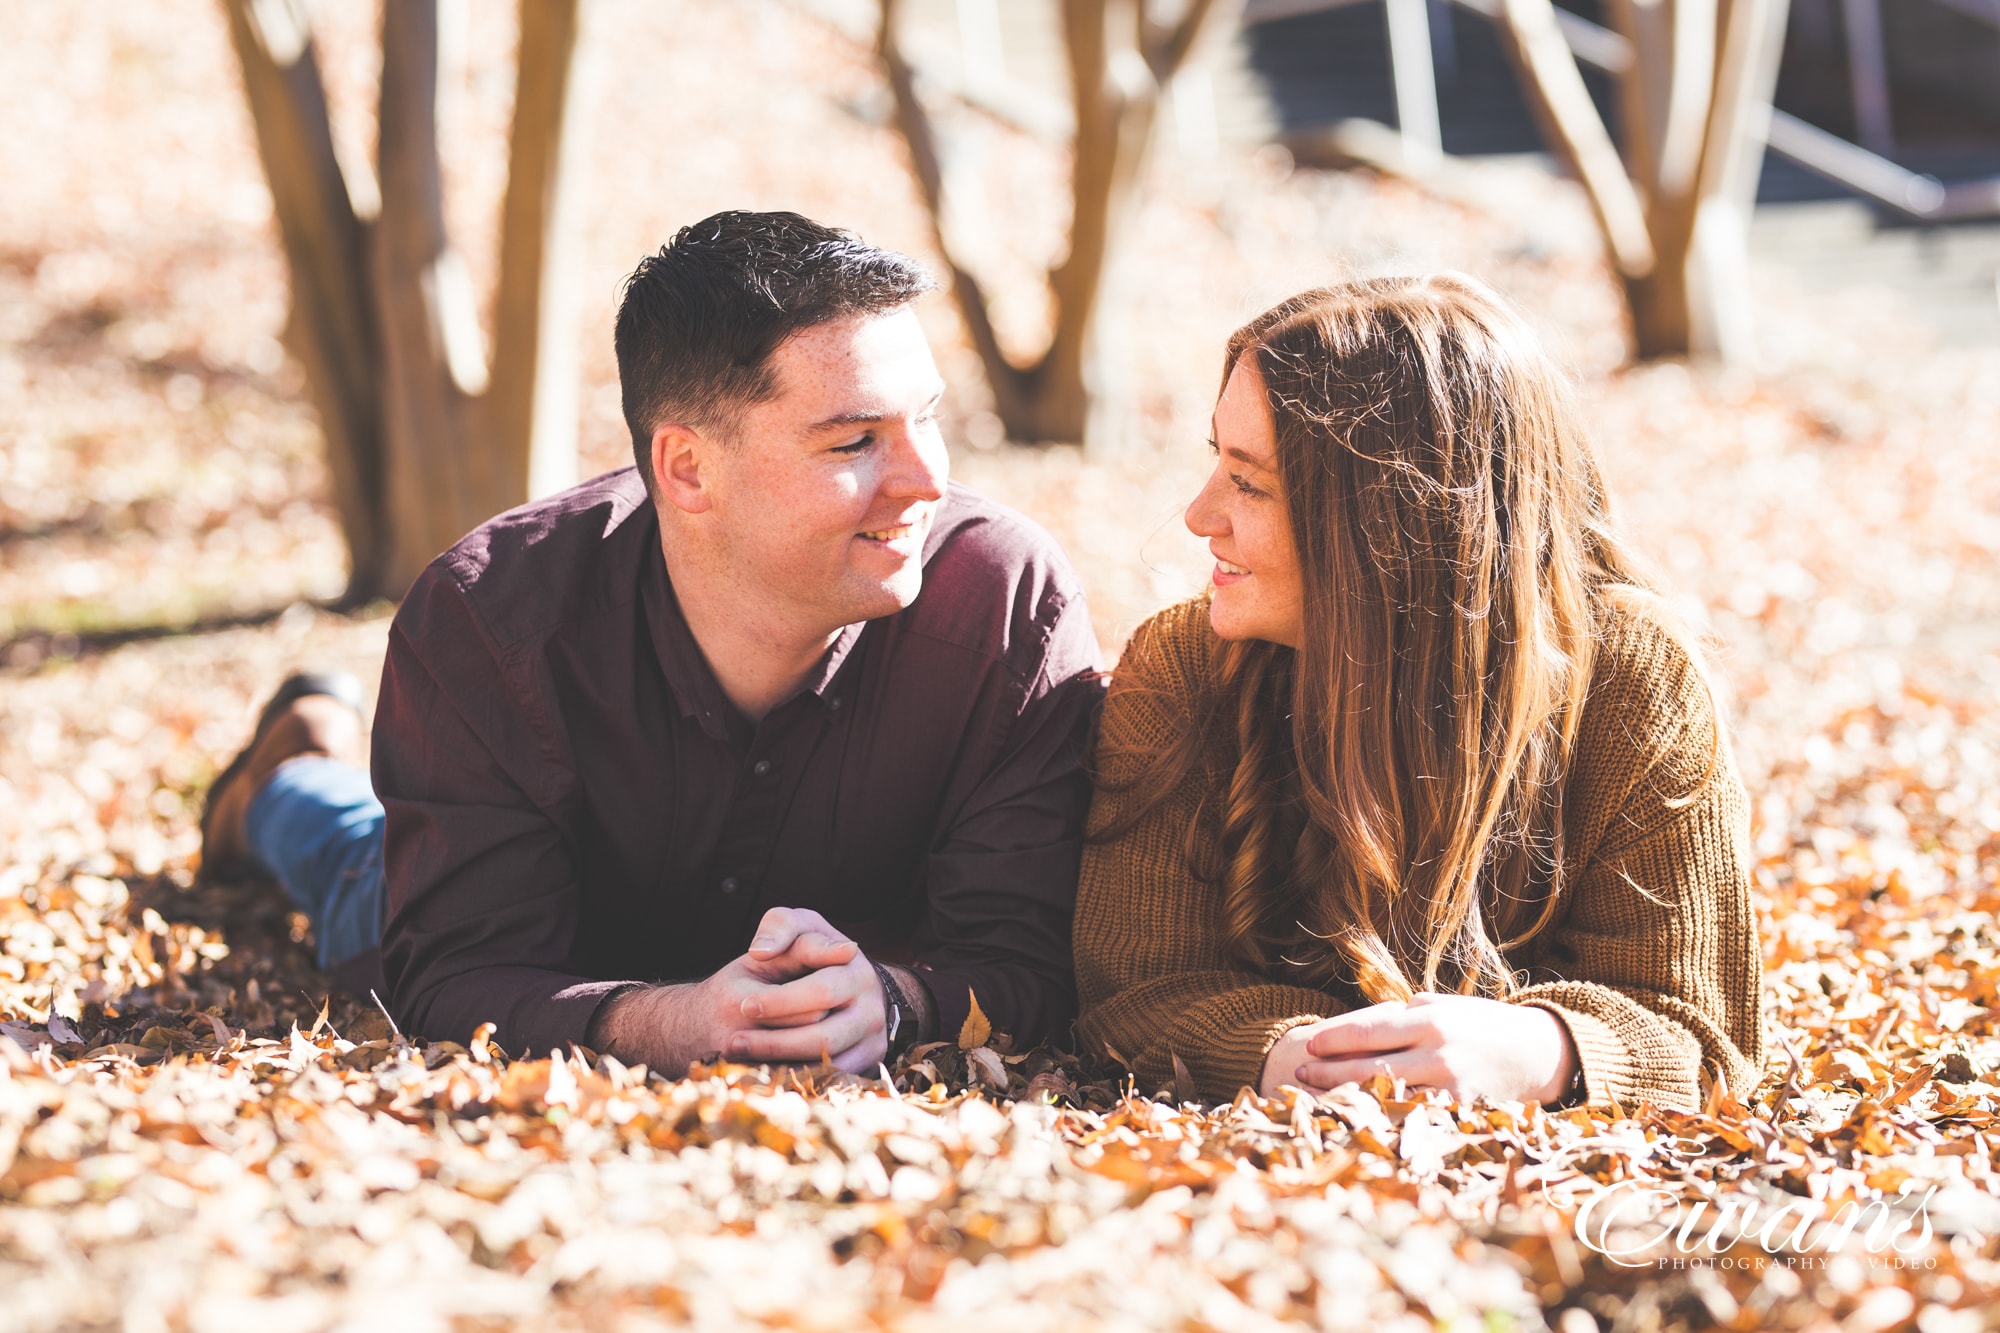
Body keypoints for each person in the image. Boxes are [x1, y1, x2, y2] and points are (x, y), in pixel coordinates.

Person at [201, 211, 1105, 1074]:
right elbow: (455, 974)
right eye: (856, 441)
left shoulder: (1006, 608)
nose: (925, 480)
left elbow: (1028, 961)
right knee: (348, 854)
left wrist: (897, 1001)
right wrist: (678, 1024)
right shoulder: (490, 623)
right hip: (518, 924)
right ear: (688, 469)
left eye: (929, 418)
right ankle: (285, 772)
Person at [1073, 275, 1763, 1111]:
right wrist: (1304, 1059)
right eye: (1215, 460)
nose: (1198, 514)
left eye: (1248, 483)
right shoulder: (1184, 666)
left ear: (1386, 519)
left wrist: (1544, 1050)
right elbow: (1135, 989)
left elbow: (1698, 1025)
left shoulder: (1633, 677)